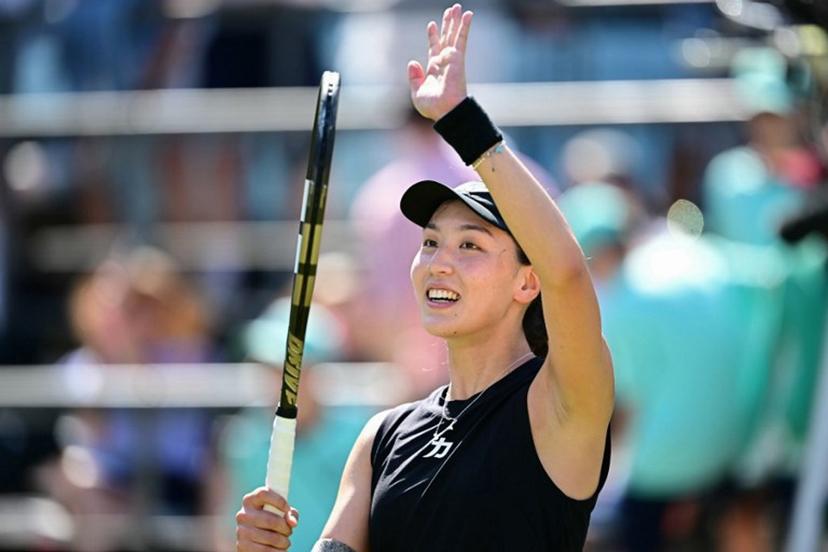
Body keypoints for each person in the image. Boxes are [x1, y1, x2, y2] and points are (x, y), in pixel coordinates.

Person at [235, 5, 614, 551]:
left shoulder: (560, 403)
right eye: (431, 242)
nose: (438, 262)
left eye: (470, 245)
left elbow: (568, 272)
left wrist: (461, 121)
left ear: (527, 283)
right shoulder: (382, 438)